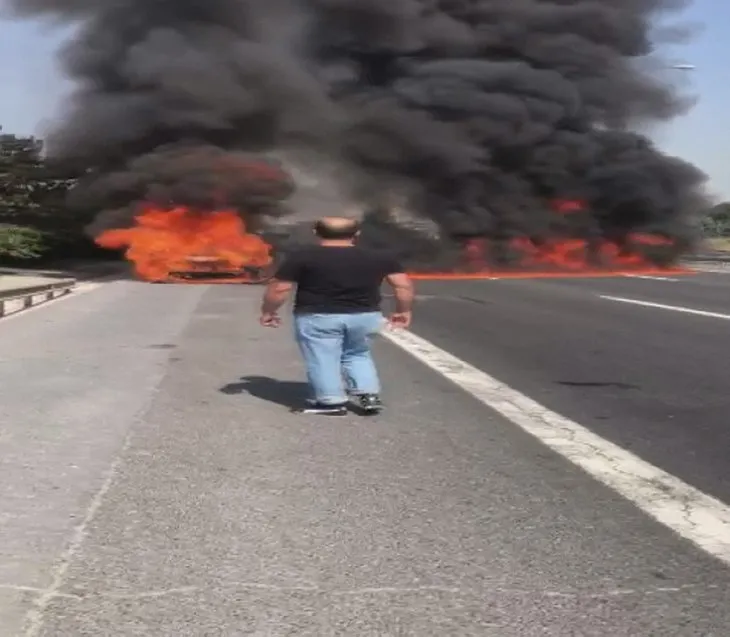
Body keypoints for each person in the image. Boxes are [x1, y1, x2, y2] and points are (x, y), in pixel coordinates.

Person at [259, 216, 414, 415]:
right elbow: (403, 285)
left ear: (316, 232)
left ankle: (330, 402)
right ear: (356, 234)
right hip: (365, 316)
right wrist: (403, 310)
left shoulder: (303, 257)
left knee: (322, 357)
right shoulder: (379, 257)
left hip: (318, 316)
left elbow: (280, 289)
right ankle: (368, 395)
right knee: (358, 354)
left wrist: (268, 311)